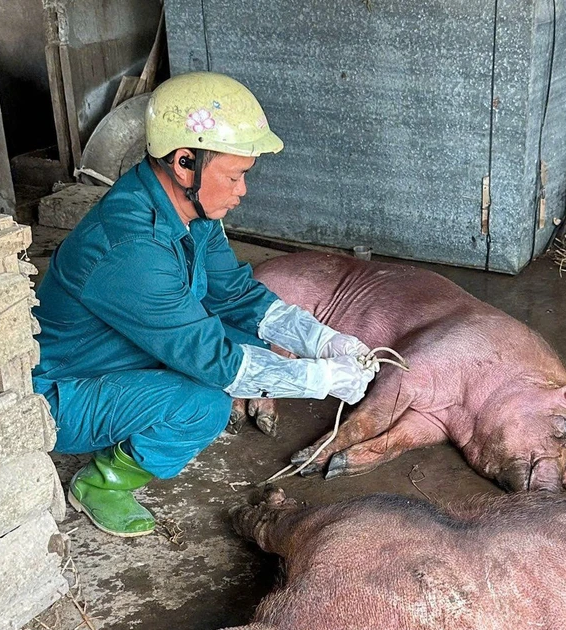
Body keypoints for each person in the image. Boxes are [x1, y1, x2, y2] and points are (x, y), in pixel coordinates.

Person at [31, 72, 376, 537]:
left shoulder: (189, 211)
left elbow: (233, 293)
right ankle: (102, 482)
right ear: (184, 162)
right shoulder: (132, 249)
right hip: (60, 392)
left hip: (116, 354)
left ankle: (130, 418)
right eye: (234, 176)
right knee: (205, 404)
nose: (242, 190)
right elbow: (214, 361)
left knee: (246, 337)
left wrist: (320, 339)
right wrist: (319, 380)